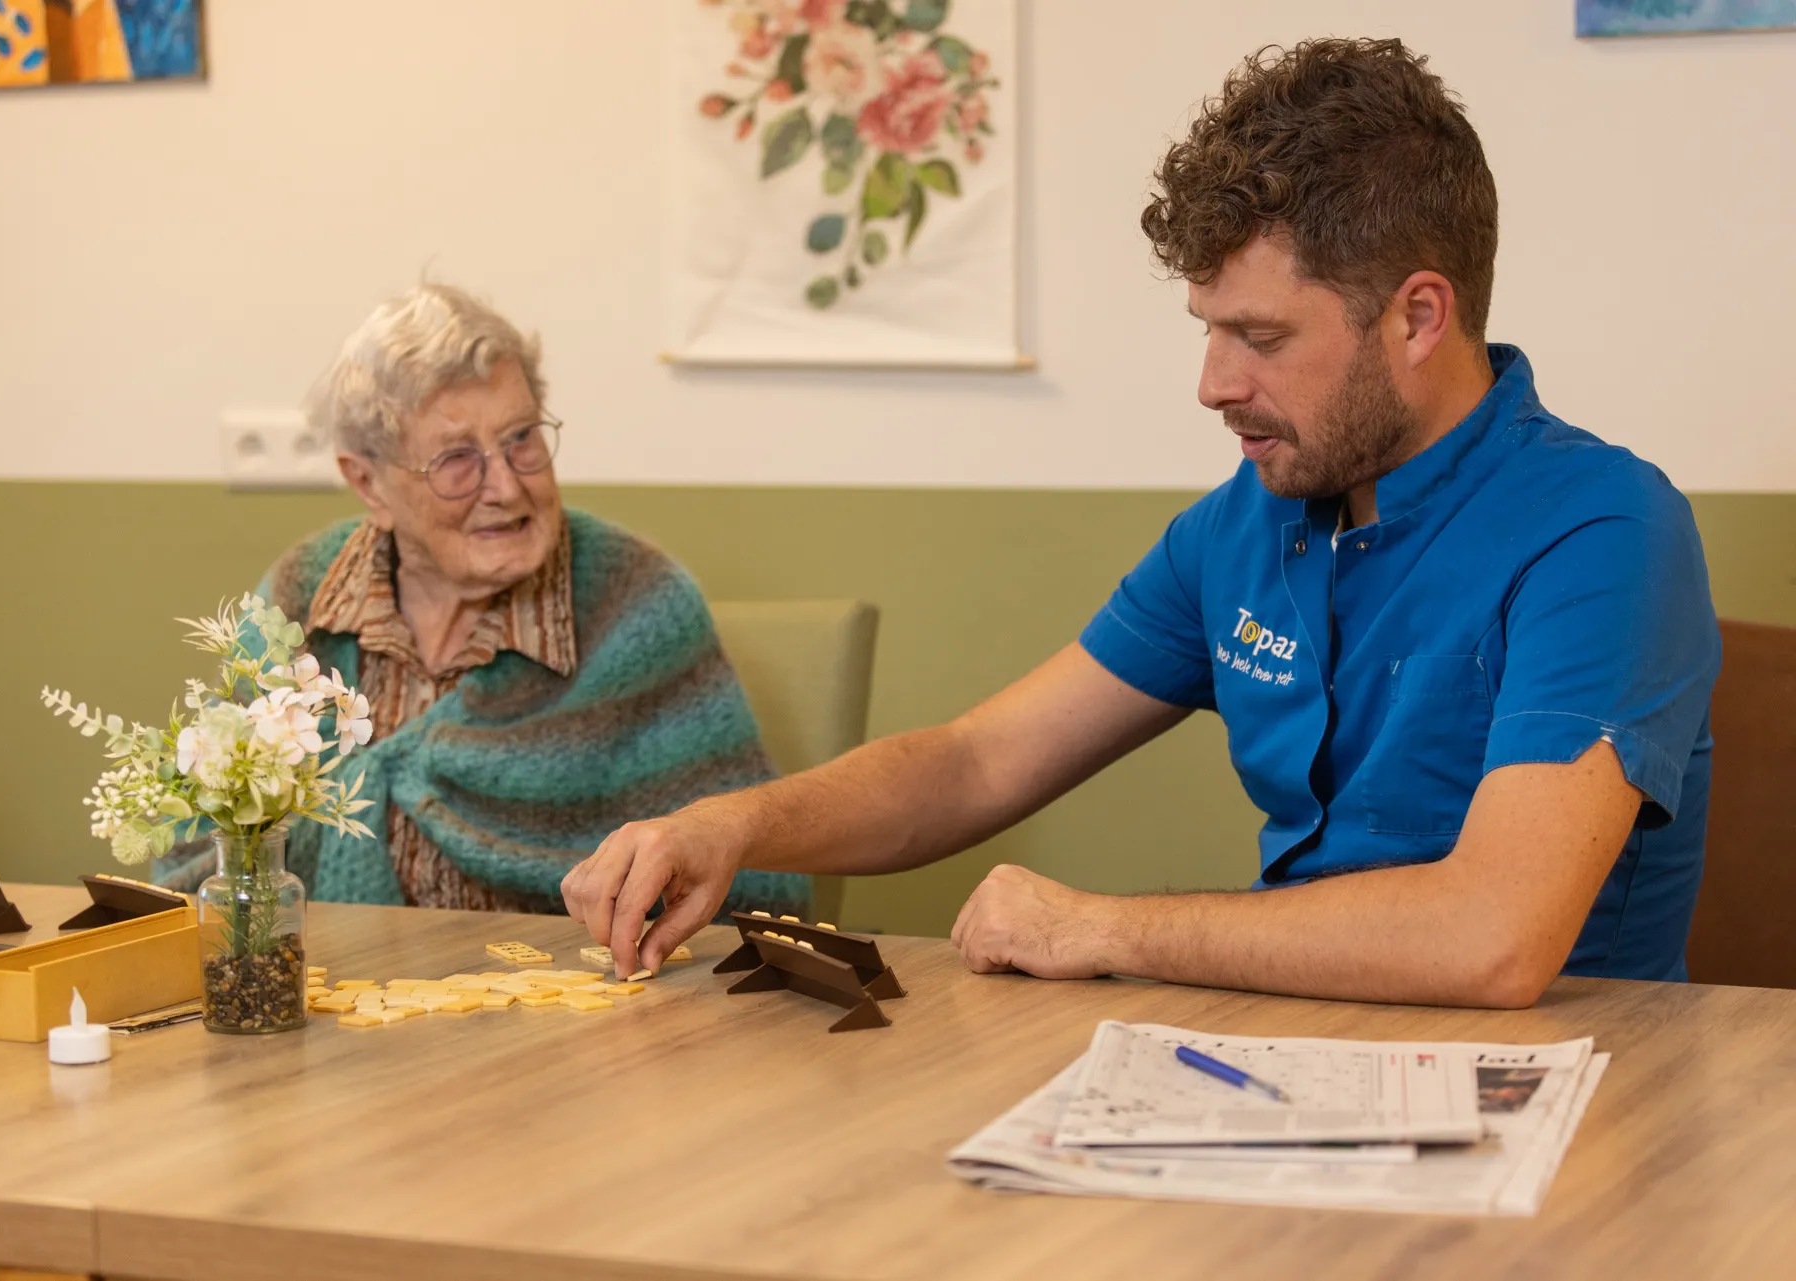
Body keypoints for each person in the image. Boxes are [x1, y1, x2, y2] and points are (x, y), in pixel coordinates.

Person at [560, 38, 1721, 1007]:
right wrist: (730, 825)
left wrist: (1104, 926)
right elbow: (973, 764)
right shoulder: (1243, 528)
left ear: (1419, 316)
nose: (1213, 384)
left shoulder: (1606, 533)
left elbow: (1490, 938)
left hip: (1566, 1098)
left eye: (1260, 338)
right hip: (1292, 1064)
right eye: (1206, 329)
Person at [157, 283, 809, 918]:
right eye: (456, 459)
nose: (505, 485)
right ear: (369, 483)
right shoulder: (301, 597)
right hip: (329, 997)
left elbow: (749, 883)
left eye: (522, 438)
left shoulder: (634, 602)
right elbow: (207, 852)